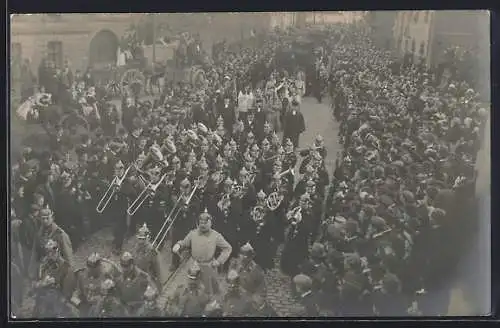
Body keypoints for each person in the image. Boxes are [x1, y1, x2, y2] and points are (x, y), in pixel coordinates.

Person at [172, 209, 232, 296]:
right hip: (194, 266)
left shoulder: (216, 236)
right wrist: (178, 245)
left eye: (205, 223)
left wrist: (219, 261)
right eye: (201, 223)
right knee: (190, 289)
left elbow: (227, 248)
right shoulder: (193, 233)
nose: (203, 225)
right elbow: (184, 243)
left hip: (208, 266)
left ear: (210, 223)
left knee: (210, 292)